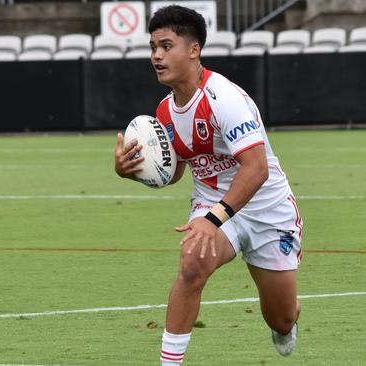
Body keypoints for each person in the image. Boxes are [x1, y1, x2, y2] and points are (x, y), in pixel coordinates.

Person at [114, 5, 302, 365]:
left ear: (193, 49)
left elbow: (256, 168)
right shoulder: (166, 111)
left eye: (166, 46)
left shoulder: (224, 98)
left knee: (281, 317)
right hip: (215, 205)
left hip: (266, 208)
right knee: (191, 263)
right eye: (152, 46)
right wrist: (130, 170)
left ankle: (288, 319)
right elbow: (177, 170)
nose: (156, 55)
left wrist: (213, 217)